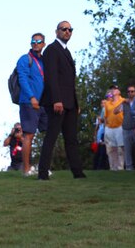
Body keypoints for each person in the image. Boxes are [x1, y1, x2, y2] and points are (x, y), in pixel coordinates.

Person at [38, 21, 86, 180]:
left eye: (70, 30)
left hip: (70, 103)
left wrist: (75, 103)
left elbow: (69, 81)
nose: (67, 32)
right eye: (64, 29)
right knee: (51, 137)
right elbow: (51, 77)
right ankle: (43, 173)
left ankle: (78, 173)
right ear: (56, 31)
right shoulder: (52, 50)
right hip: (57, 103)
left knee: (71, 139)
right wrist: (57, 100)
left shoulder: (66, 51)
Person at [16, 33, 47, 176]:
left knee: (48, 134)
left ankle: (43, 167)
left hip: (44, 103)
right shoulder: (25, 59)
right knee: (29, 135)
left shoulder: (44, 61)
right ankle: (26, 170)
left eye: (39, 41)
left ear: (43, 44)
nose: (36, 43)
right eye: (33, 41)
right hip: (29, 103)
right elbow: (22, 79)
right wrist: (32, 97)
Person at [104, 85, 125, 170]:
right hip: (109, 128)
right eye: (112, 89)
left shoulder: (123, 101)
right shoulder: (107, 103)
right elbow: (105, 116)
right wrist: (106, 127)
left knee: (121, 148)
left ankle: (120, 167)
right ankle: (113, 167)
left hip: (120, 127)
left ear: (119, 92)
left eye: (115, 89)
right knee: (112, 149)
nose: (113, 90)